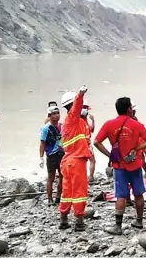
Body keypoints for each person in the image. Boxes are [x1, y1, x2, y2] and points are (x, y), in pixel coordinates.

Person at [94, 97, 146, 233]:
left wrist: (110, 155)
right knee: (138, 194)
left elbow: (96, 142)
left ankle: (118, 226)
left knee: (121, 195)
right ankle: (139, 221)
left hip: (119, 166)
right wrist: (137, 148)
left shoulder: (109, 124)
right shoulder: (136, 124)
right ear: (129, 109)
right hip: (135, 164)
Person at [58, 85, 91, 231]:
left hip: (67, 161)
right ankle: (79, 221)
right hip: (76, 161)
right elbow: (76, 108)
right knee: (79, 192)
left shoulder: (75, 123)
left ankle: (64, 219)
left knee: (67, 192)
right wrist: (80, 94)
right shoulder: (72, 118)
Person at [39, 106, 64, 205]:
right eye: (54, 114)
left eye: (57, 113)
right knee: (51, 177)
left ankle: (58, 196)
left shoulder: (62, 126)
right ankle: (49, 198)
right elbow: (42, 143)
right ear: (49, 116)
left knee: (62, 176)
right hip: (51, 154)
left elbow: (63, 140)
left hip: (61, 153)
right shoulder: (46, 128)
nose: (57, 115)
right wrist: (41, 157)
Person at [131, 100, 146, 179]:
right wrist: (143, 148)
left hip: (129, 148)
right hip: (136, 147)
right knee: (141, 159)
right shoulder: (137, 125)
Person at [81, 99, 96, 182]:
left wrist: (93, 121)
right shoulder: (79, 121)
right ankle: (89, 176)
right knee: (90, 161)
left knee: (92, 160)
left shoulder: (85, 120)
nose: (87, 111)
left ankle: (90, 176)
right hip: (84, 144)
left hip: (87, 144)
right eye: (86, 108)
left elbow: (91, 130)